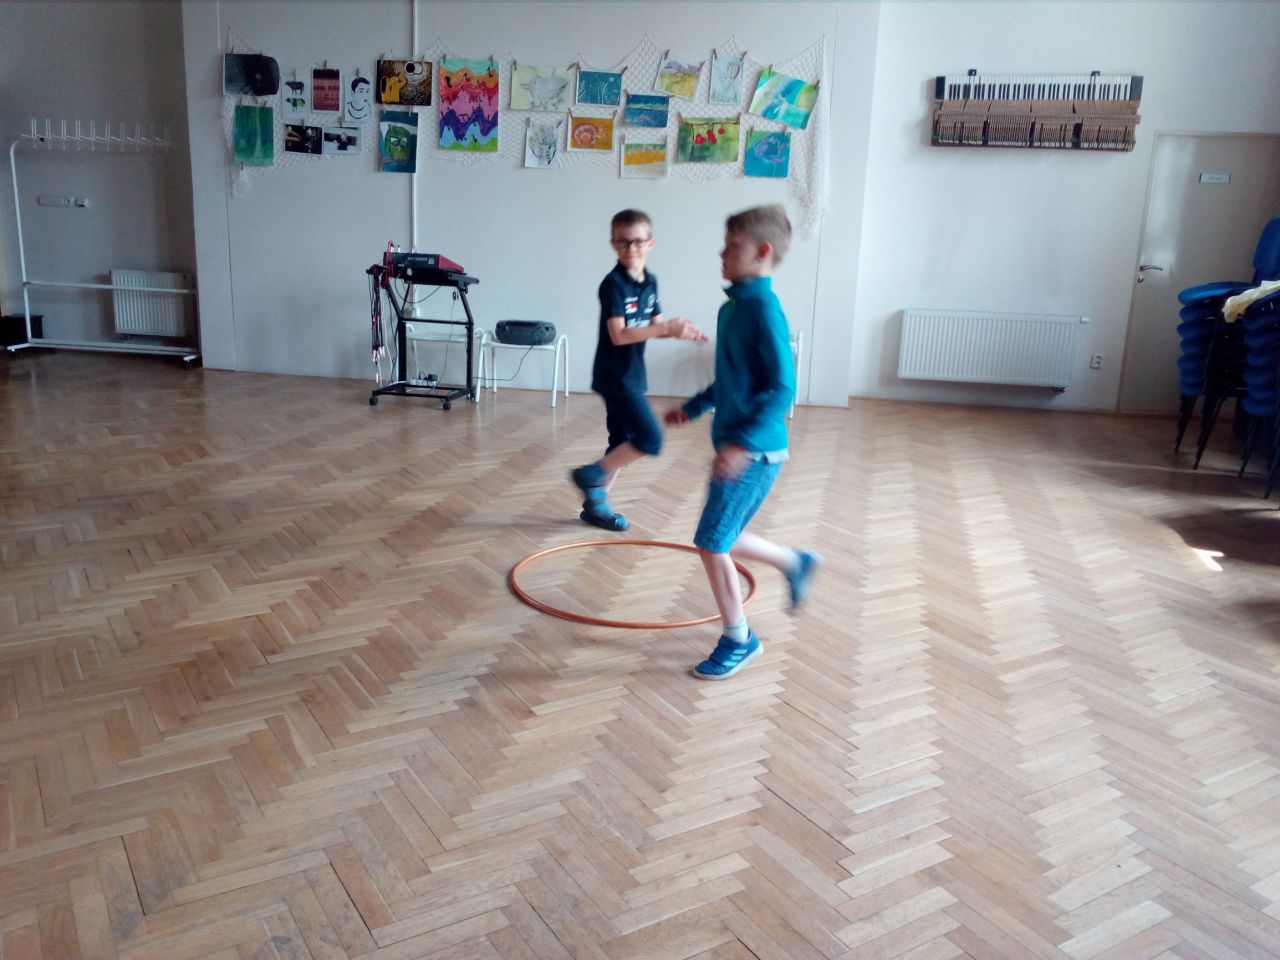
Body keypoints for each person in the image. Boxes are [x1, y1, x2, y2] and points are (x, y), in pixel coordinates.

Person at [664, 204, 821, 679]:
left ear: (762, 252)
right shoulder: (732, 308)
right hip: (739, 446)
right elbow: (733, 379)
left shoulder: (763, 310)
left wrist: (741, 444)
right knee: (722, 535)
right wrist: (694, 407)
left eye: (732, 246)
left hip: (755, 451)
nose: (722, 253)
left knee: (712, 542)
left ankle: (739, 638)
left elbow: (782, 387)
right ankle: (795, 562)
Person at [571, 209, 706, 530]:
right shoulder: (613, 285)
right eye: (623, 242)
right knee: (651, 438)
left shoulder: (650, 282)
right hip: (614, 376)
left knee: (622, 441)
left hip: (633, 375)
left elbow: (655, 326)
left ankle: (597, 505)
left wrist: (680, 331)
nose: (630, 248)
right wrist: (666, 328)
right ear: (613, 244)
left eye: (637, 241)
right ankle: (590, 474)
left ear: (650, 243)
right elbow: (619, 335)